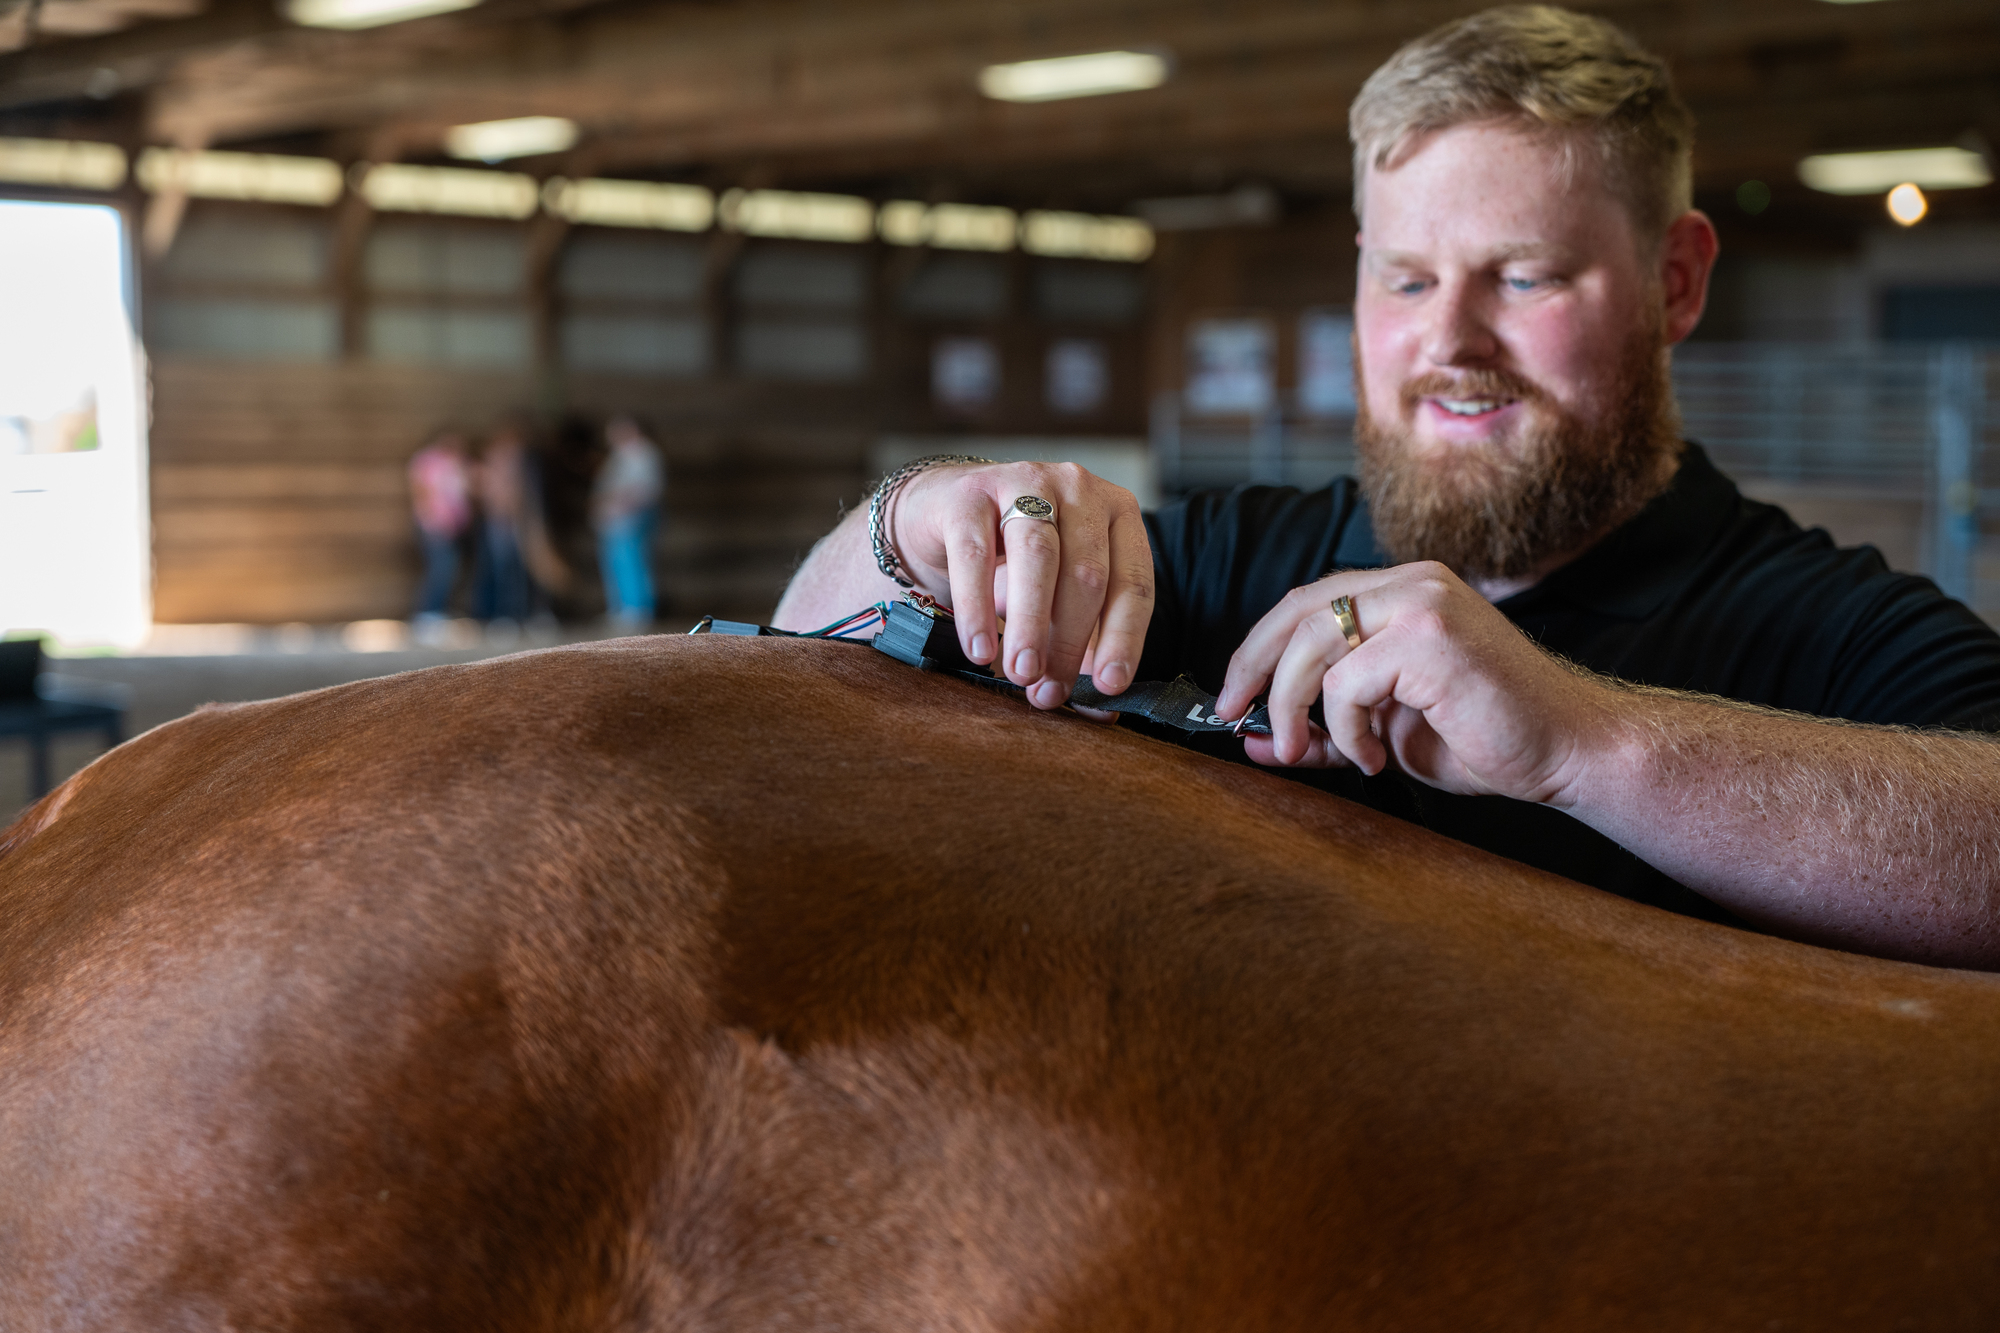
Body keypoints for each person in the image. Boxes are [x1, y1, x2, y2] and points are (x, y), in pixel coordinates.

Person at [774, 5, 2000, 972]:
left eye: (1522, 279)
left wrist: (1579, 739)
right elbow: (794, 682)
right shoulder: (1211, 565)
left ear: (1675, 283)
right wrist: (912, 522)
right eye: (1405, 281)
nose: (1446, 343)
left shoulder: (1836, 630)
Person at [592, 416, 666, 631]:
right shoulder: (620, 455)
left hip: (633, 520)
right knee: (618, 565)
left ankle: (639, 610)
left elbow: (648, 489)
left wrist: (622, 499)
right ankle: (623, 608)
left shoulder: (645, 454)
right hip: (615, 522)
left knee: (635, 563)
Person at [406, 429, 472, 628]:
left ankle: (436, 613)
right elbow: (420, 490)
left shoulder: (457, 462)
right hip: (434, 525)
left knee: (449, 569)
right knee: (442, 568)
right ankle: (427, 614)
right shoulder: (426, 460)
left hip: (453, 528)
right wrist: (431, 518)